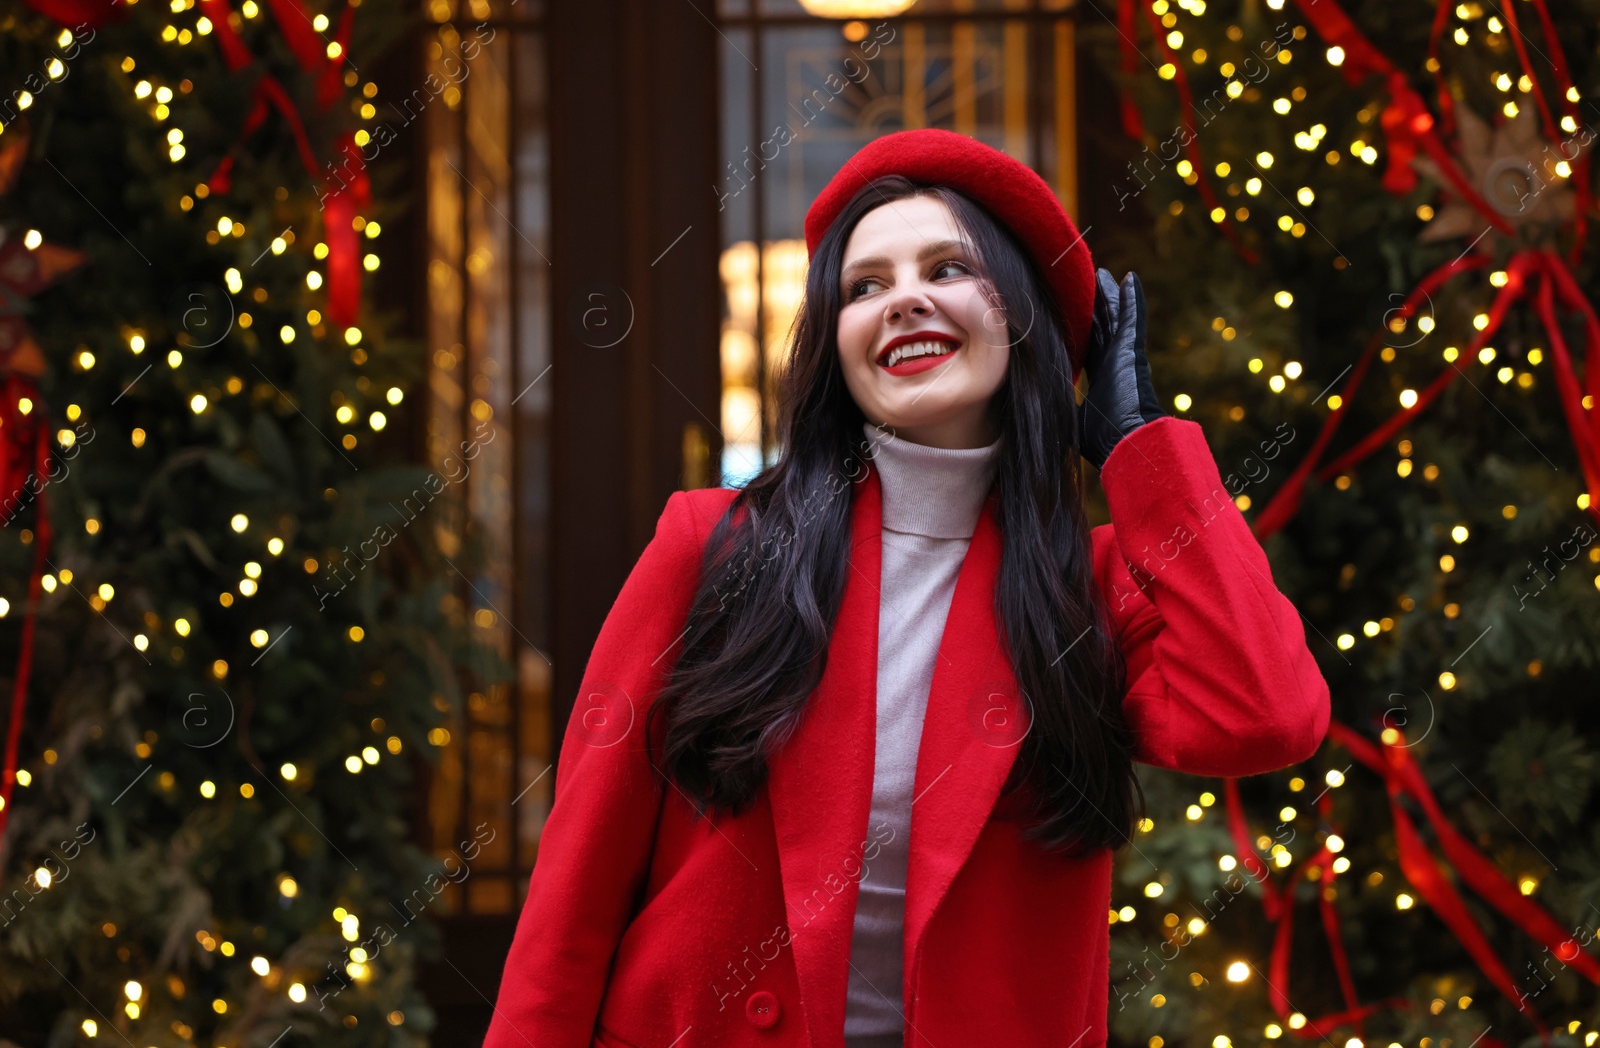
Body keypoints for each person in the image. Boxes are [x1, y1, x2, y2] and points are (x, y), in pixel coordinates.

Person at [482, 128, 1331, 1048]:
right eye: (865, 286)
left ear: (1021, 315)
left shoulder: (1088, 589)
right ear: (835, 339)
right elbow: (577, 887)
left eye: (948, 267)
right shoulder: (715, 545)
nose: (905, 301)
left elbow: (1265, 714)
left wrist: (1142, 448)